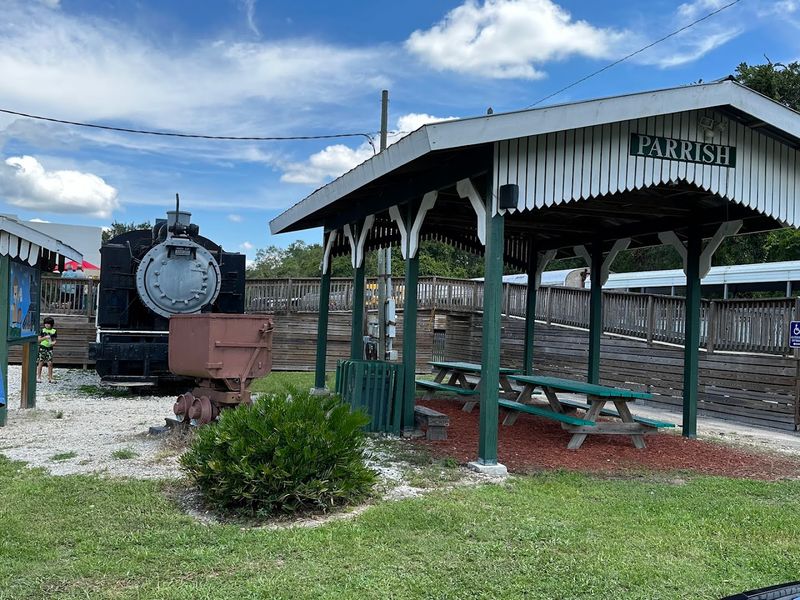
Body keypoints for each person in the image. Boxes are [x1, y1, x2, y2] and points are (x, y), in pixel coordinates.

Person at [36, 317, 57, 384]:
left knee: (50, 363)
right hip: (42, 348)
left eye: (48, 324)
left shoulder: (54, 331)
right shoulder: (42, 330)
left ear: (51, 324)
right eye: (46, 324)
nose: (47, 325)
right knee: (41, 362)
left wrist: (52, 343)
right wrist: (45, 337)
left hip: (50, 349)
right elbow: (38, 340)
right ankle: (38, 377)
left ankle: (50, 378)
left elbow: (54, 341)